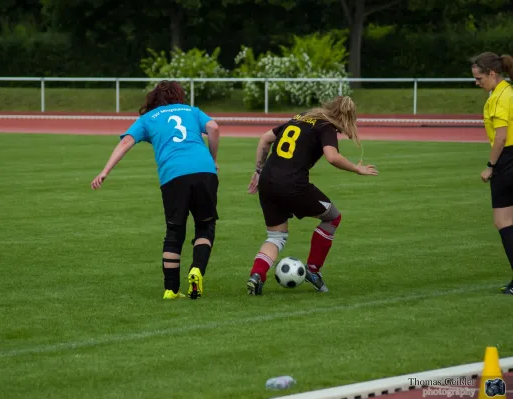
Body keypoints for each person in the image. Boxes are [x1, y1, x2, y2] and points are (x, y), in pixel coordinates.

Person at [91, 80, 221, 300]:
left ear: (153, 99)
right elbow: (214, 128)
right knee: (205, 225)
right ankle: (197, 269)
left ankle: (171, 289)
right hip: (204, 171)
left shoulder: (148, 118)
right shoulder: (191, 111)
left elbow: (125, 142)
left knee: (174, 231)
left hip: (173, 176)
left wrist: (105, 171)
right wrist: (212, 158)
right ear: (178, 95)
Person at [245, 96, 378, 295]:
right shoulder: (326, 126)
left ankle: (256, 275)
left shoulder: (301, 117)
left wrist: (258, 171)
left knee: (276, 236)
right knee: (333, 217)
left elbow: (265, 138)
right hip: (293, 184)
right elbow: (332, 157)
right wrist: (357, 169)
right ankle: (313, 270)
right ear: (345, 117)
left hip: (267, 182)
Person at [471, 52, 513, 295]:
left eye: (479, 79)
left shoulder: (499, 97)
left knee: (503, 222)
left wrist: (490, 166)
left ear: (493, 74)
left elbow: (501, 136)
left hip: (507, 160)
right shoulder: (509, 90)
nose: (477, 83)